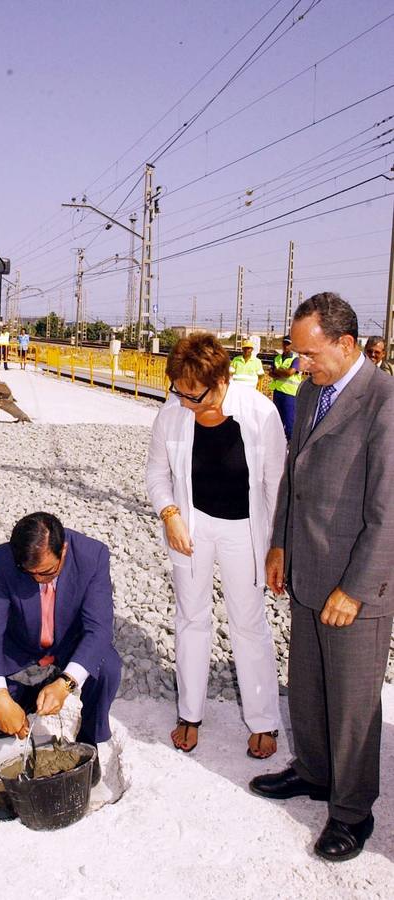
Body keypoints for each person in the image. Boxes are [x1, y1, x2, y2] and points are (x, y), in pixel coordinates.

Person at [250, 292, 394, 862]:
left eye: (309, 354)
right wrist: (280, 542)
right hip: (306, 565)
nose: (299, 365)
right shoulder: (312, 391)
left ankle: (353, 813)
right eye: (297, 353)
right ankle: (313, 772)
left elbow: (388, 512)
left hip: (354, 584)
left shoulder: (384, 401)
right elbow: (295, 474)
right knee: (308, 686)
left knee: (354, 703)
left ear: (346, 343)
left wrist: (356, 588)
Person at [146, 333, 286, 757]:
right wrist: (171, 516)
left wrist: (276, 547)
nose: (185, 403)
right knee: (191, 618)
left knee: (248, 622)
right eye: (179, 392)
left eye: (194, 395)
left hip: (245, 530)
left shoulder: (260, 413)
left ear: (222, 379)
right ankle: (189, 713)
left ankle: (264, 720)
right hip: (193, 525)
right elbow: (156, 474)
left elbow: (277, 487)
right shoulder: (172, 413)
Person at [0, 512, 122, 785]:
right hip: (19, 640)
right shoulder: (3, 559)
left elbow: (99, 629)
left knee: (108, 669)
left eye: (46, 572)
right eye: (28, 573)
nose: (37, 580)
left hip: (70, 638)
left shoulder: (93, 555)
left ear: (64, 549)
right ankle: (22, 703)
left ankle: (88, 741)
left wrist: (65, 684)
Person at [269, 334, 302, 440]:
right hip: (278, 392)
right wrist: (282, 371)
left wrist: (278, 371)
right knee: (278, 420)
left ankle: (290, 443)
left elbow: (289, 373)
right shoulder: (277, 358)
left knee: (289, 421)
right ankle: (278, 441)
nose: (286, 346)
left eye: (288, 344)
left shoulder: (296, 359)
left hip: (290, 394)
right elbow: (270, 373)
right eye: (284, 343)